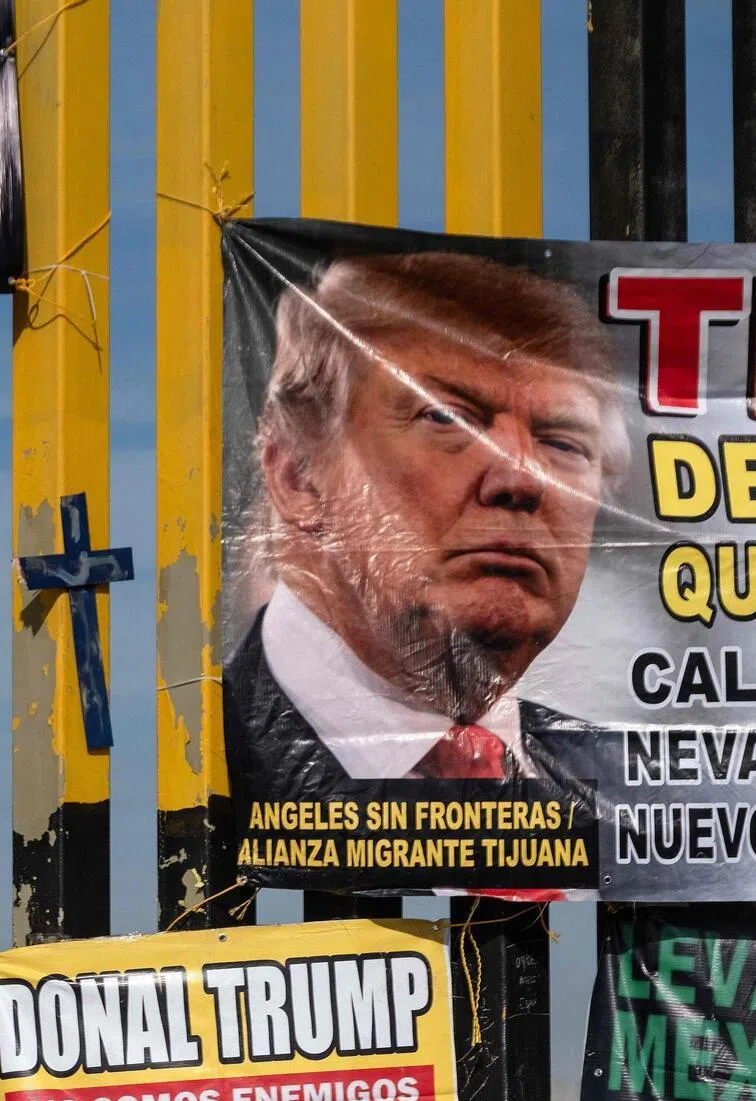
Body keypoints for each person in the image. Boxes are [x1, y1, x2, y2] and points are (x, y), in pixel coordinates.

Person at [224, 251, 629, 793]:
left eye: (561, 442)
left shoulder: (662, 802)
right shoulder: (186, 768)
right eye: (446, 417)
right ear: (299, 477)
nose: (524, 478)